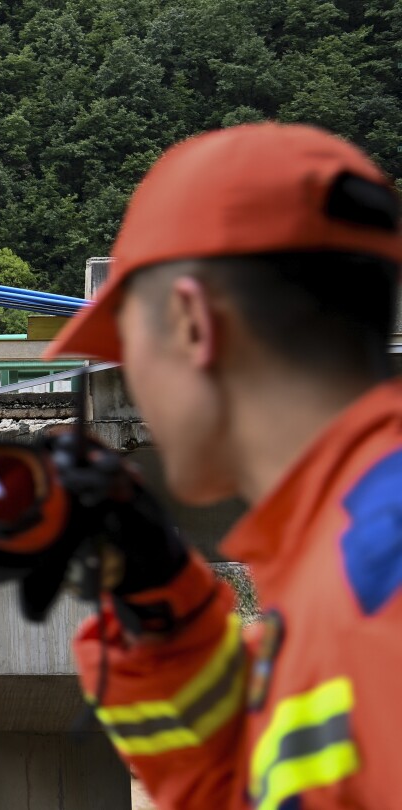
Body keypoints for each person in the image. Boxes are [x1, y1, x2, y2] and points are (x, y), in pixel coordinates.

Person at [45, 123, 402, 809]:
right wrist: (159, 604)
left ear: (192, 324)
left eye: (122, 343)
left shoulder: (375, 576)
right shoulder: (334, 567)